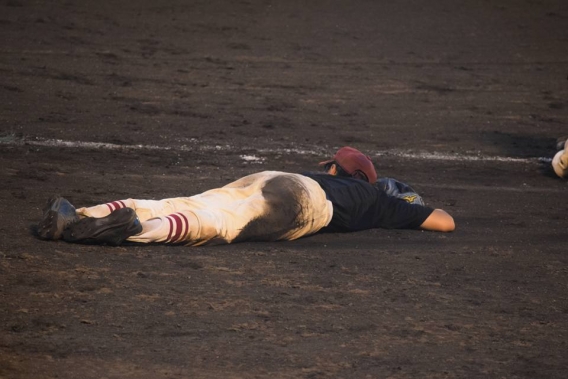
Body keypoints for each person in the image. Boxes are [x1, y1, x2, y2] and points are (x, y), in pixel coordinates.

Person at [37, 147, 455, 246]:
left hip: (274, 175)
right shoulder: (375, 200)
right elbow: (444, 222)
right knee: (219, 224)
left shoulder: (320, 171)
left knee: (187, 201)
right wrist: (402, 203)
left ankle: (84, 212)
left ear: (333, 167)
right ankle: (135, 230)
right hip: (305, 201)